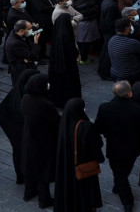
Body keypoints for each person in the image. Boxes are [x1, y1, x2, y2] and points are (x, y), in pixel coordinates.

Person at [94, 81, 140, 212]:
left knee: (119, 172)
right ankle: (127, 201)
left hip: (114, 146)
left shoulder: (104, 108)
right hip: (132, 148)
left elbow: (98, 127)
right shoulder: (139, 110)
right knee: (123, 173)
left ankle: (118, 184)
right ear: (129, 93)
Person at [54, 98, 104, 212]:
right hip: (83, 165)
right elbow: (97, 144)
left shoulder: (63, 122)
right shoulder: (86, 127)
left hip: (67, 164)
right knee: (85, 191)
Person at [21, 73, 60, 207]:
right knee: (43, 170)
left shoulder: (26, 98)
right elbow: (55, 123)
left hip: (29, 138)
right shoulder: (46, 104)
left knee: (32, 167)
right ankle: (44, 200)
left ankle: (29, 193)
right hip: (43, 142)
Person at [49, 13, 82, 107]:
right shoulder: (66, 34)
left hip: (57, 65)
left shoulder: (58, 31)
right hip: (68, 65)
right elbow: (71, 50)